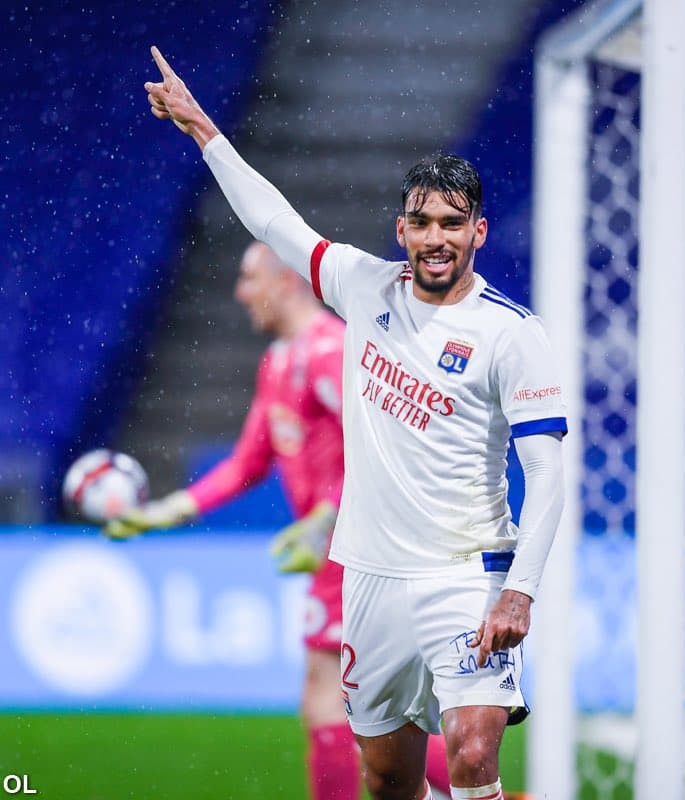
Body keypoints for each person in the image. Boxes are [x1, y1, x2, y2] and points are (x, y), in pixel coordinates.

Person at [142, 46, 565, 800]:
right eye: (421, 222)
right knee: (386, 775)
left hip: (467, 574)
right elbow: (274, 221)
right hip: (367, 577)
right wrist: (204, 130)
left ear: (479, 233)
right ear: (399, 230)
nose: (436, 236)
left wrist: (520, 591)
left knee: (470, 754)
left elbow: (546, 472)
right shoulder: (362, 288)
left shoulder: (513, 333)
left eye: (452, 223)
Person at [103, 240, 453, 800]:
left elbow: (386, 444)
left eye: (250, 278)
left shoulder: (330, 351)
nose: (241, 293)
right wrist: (169, 511)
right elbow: (248, 462)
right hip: (333, 551)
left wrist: (325, 516)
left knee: (336, 696)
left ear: (286, 281)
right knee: (349, 699)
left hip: (362, 547)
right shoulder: (281, 360)